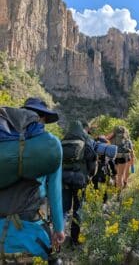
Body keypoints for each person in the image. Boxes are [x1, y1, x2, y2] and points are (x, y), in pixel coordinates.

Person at [0, 97, 65, 264]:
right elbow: (55, 193)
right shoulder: (49, 146)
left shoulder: (4, 144)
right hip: (30, 232)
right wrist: (59, 230)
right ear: (42, 118)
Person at [62, 120, 97, 247]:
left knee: (63, 209)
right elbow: (92, 161)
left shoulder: (63, 141)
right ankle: (74, 240)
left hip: (64, 179)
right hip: (80, 180)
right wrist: (89, 176)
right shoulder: (86, 140)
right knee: (78, 210)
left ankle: (58, 238)